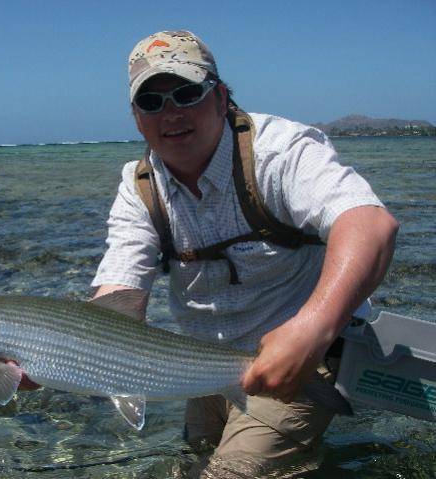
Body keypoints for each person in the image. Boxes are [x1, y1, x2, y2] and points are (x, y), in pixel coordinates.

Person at [91, 30, 399, 477]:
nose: (171, 113)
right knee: (188, 470)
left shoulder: (280, 152)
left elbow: (370, 224)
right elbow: (120, 293)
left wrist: (311, 329)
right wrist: (43, 351)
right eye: (152, 102)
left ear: (219, 97)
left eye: (186, 93)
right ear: (137, 118)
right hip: (201, 370)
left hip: (303, 359)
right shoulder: (138, 186)